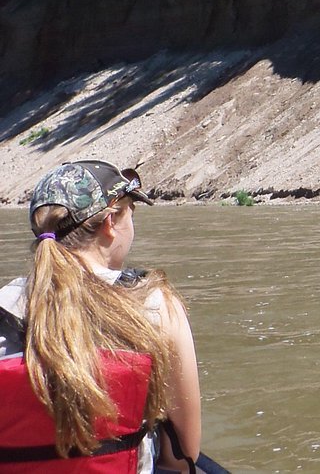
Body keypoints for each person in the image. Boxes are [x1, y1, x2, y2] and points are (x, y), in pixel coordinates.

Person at [0, 160, 202, 472]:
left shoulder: (3, 307)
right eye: (131, 213)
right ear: (111, 222)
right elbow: (183, 453)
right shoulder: (155, 304)